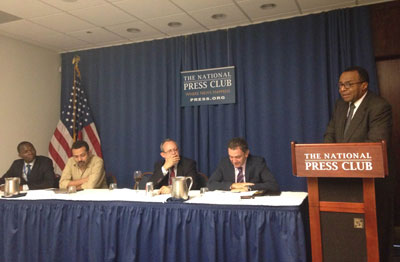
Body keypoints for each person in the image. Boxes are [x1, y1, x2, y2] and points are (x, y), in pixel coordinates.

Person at [323, 66, 393, 261]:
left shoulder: (379, 106)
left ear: (364, 86)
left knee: (373, 239)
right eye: (340, 85)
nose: (342, 89)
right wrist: (329, 155)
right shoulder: (340, 106)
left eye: (348, 84)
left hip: (371, 184)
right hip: (342, 183)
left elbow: (376, 144)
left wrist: (341, 158)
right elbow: (330, 135)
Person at [208, 137, 279, 192]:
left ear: (246, 153)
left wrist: (248, 187)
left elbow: (273, 185)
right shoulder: (224, 163)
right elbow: (210, 184)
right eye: (231, 157)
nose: (234, 161)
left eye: (238, 157)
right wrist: (233, 185)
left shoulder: (258, 162)